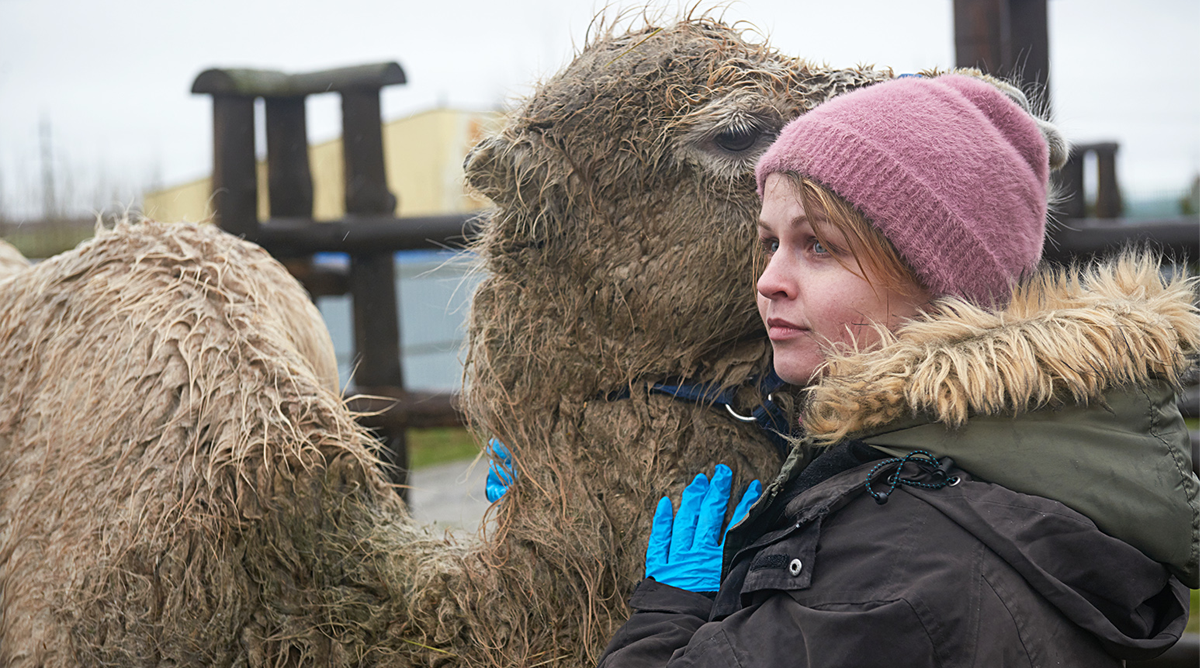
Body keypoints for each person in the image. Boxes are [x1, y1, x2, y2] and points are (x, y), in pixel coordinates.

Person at [597, 74, 1198, 666]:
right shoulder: (1003, 467)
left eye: (819, 246)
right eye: (770, 242)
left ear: (941, 283)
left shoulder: (887, 576)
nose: (769, 281)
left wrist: (667, 614)